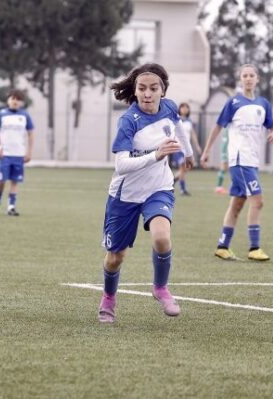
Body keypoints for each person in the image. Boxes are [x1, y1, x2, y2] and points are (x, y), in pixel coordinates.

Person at [98, 63, 194, 323]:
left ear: (163, 91)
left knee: (162, 237)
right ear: (135, 90)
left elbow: (179, 126)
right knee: (115, 258)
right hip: (125, 195)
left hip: (159, 187)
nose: (147, 93)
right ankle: (108, 299)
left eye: (153, 88)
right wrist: (156, 155)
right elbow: (122, 165)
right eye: (142, 88)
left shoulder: (170, 107)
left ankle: (160, 288)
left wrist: (188, 152)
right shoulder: (129, 121)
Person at [201, 64, 273, 261]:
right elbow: (218, 127)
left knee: (237, 203)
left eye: (252, 75)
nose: (248, 78)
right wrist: (207, 150)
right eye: (245, 75)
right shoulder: (233, 102)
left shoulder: (263, 103)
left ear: (257, 78)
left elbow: (272, 125)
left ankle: (222, 246)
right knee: (258, 202)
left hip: (252, 160)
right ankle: (254, 248)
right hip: (240, 159)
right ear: (240, 79)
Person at [0, 89, 34, 216]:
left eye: (18, 99)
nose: (15, 101)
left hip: (19, 154)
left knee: (15, 181)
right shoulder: (1, 114)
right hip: (4, 154)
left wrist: (29, 152)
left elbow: (31, 134)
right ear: (8, 100)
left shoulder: (25, 115)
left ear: (21, 102)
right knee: (1, 182)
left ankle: (11, 207)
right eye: (12, 98)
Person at [171, 102, 202, 196]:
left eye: (186, 108)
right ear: (179, 109)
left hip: (186, 149)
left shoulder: (189, 121)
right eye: (182, 107)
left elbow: (193, 135)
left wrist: (197, 147)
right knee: (182, 167)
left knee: (186, 169)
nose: (184, 109)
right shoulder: (176, 120)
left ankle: (172, 181)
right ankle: (183, 189)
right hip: (178, 148)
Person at [213, 128, 229, 194]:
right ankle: (218, 187)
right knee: (224, 166)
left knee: (225, 167)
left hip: (226, 148)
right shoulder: (228, 128)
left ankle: (219, 187)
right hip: (226, 149)